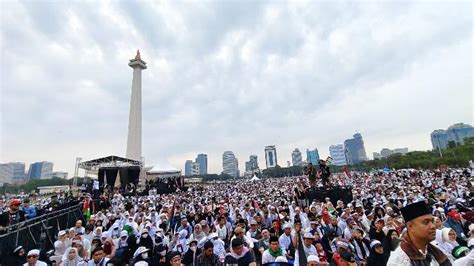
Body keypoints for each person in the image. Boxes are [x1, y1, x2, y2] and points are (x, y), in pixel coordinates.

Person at [387, 201, 452, 265]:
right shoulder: (398, 261)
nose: (433, 226)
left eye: (432, 221)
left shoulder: (436, 248)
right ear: (410, 226)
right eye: (426, 222)